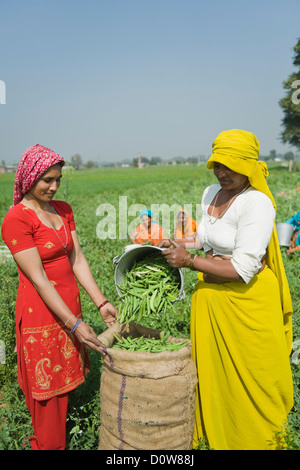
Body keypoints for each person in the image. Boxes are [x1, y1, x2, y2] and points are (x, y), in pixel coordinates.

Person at [158, 129, 294, 450]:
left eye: (229, 167)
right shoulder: (211, 193)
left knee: (256, 377)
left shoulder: (257, 203)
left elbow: (243, 268)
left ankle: (259, 437)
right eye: (217, 165)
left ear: (247, 166)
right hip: (212, 301)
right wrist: (178, 244)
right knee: (218, 377)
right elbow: (206, 239)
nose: (221, 173)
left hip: (248, 303)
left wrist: (188, 260)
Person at [1, 144, 118, 450]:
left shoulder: (63, 209)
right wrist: (74, 323)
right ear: (29, 178)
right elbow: (38, 279)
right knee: (48, 394)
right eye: (47, 180)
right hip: (43, 313)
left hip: (69, 306)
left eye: (58, 180)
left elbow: (77, 259)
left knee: (64, 388)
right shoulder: (17, 219)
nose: (54, 186)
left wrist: (101, 303)